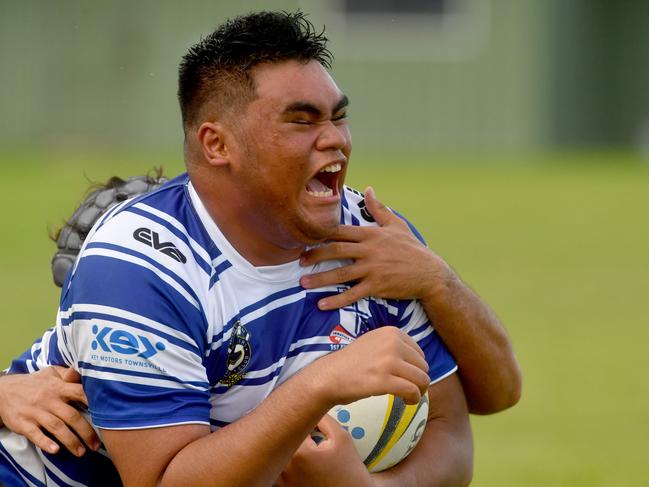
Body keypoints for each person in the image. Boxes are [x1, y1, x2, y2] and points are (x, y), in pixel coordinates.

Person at [0, 11, 520, 486]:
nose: (336, 139)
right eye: (302, 120)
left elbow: (454, 426)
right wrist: (317, 387)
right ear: (217, 144)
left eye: (337, 117)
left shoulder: (373, 240)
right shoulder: (142, 266)